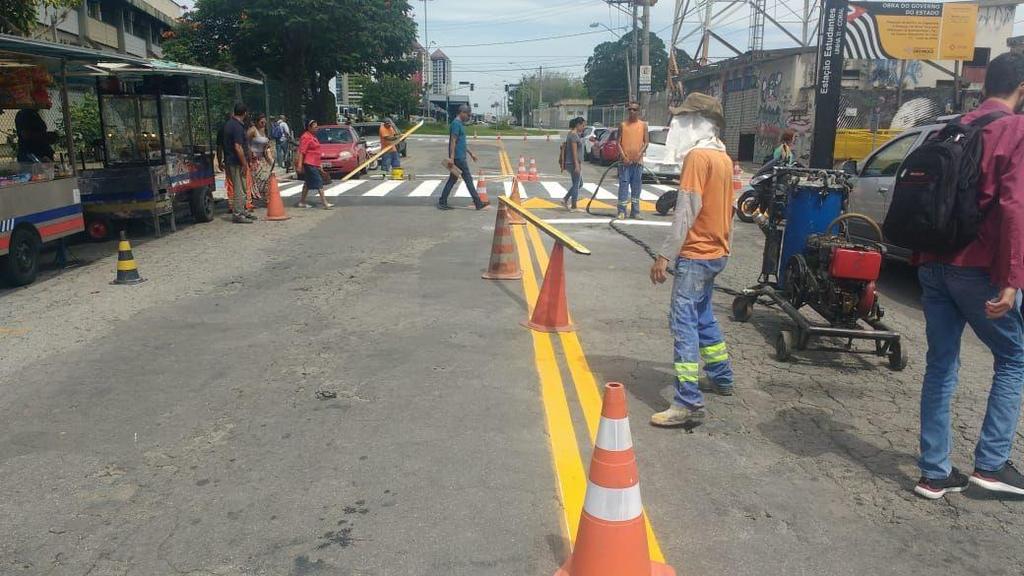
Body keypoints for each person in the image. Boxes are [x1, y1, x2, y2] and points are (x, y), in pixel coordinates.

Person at [913, 52, 1024, 499]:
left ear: (983, 86)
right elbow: (1015, 208)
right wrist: (1012, 279)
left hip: (932, 264)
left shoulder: (951, 126)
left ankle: (934, 473)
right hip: (977, 268)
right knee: (1014, 358)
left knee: (941, 364)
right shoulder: (1015, 130)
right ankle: (992, 466)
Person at [647, 92, 734, 427]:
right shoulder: (723, 158)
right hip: (716, 253)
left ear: (695, 123)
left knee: (684, 325)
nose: (674, 127)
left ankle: (687, 402)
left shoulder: (698, 158)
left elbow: (686, 211)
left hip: (696, 255)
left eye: (680, 121)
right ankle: (721, 377)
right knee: (703, 317)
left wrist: (664, 256)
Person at [438, 104, 488, 211]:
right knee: (468, 180)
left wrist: (471, 154)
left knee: (452, 180)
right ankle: (478, 203)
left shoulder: (460, 124)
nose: (468, 117)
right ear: (462, 113)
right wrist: (451, 157)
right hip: (458, 158)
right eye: (468, 115)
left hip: (460, 156)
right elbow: (453, 141)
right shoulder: (456, 124)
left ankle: (442, 201)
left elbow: (462, 143)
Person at [222, 103, 255, 224]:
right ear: (244, 113)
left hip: (232, 160)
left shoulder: (229, 124)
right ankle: (238, 214)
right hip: (236, 162)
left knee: (243, 187)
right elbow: (238, 147)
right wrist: (244, 163)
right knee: (239, 189)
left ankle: (242, 211)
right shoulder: (237, 127)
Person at [617, 101, 649, 220]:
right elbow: (618, 143)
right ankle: (621, 211)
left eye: (634, 109)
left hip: (637, 163)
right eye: (630, 109)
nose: (632, 111)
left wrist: (639, 154)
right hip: (624, 163)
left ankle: (635, 211)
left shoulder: (643, 125)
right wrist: (624, 157)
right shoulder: (623, 125)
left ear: (638, 111)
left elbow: (646, 142)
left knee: (636, 187)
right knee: (624, 186)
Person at [296, 119, 332, 210]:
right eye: (315, 127)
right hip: (309, 163)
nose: (317, 128)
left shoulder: (313, 136)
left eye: (317, 126)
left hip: (314, 163)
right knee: (319, 182)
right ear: (309, 127)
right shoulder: (306, 137)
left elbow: (316, 151)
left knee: (307, 183)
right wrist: (299, 165)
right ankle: (325, 203)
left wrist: (319, 165)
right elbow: (302, 152)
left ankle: (302, 202)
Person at [247, 114, 275, 203]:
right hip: (255, 159)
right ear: (257, 122)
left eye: (264, 122)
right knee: (256, 179)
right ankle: (252, 198)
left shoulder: (263, 130)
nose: (263, 123)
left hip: (263, 158)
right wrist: (250, 154)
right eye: (261, 122)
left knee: (267, 177)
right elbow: (245, 142)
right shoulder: (252, 130)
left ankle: (267, 198)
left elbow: (266, 144)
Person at [561, 117, 586, 211]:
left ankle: (565, 199)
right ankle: (574, 206)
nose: (584, 127)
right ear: (578, 125)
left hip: (572, 163)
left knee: (579, 183)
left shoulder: (571, 134)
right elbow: (575, 152)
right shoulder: (574, 135)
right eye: (583, 125)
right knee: (577, 184)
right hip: (573, 163)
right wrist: (576, 166)